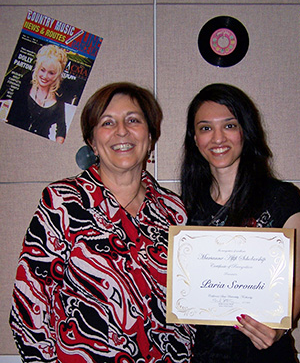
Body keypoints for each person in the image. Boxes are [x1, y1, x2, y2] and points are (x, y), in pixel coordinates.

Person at [10, 82, 193, 362]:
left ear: (151, 136)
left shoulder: (174, 210)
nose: (122, 131)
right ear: (92, 141)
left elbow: (189, 304)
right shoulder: (62, 202)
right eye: (108, 122)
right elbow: (29, 304)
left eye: (133, 120)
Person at [180, 83, 300, 363]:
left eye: (229, 125)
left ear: (245, 131)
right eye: (205, 128)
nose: (217, 138)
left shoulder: (281, 198)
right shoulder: (184, 207)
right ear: (194, 138)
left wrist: (279, 327)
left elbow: (296, 282)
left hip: (264, 352)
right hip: (204, 355)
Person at [6, 44, 67, 143]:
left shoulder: (59, 102)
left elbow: (61, 131)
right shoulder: (23, 86)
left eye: (51, 73)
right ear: (37, 68)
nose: (45, 76)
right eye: (42, 70)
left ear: (57, 75)